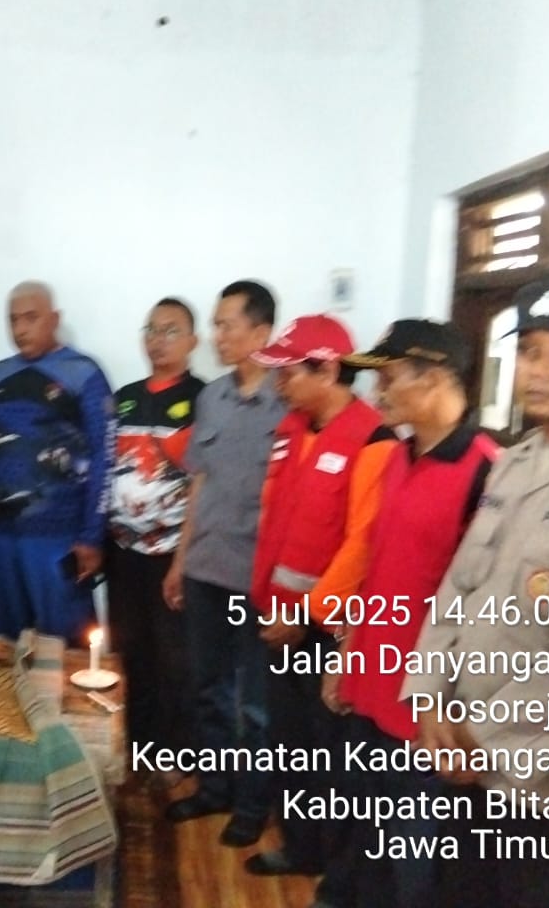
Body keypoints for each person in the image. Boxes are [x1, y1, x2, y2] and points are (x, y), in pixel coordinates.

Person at [404, 276, 549, 908]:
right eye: (529, 350)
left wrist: (485, 733)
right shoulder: (515, 463)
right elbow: (460, 586)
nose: (541, 369)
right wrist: (430, 696)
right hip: (465, 759)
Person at [317, 320, 498, 908]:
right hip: (370, 689)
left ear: (435, 378)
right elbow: (377, 566)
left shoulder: (486, 471)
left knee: (412, 863)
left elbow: (486, 612)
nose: (379, 393)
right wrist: (346, 651)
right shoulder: (398, 456)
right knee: (362, 836)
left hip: (426, 712)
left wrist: (452, 709)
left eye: (389, 378)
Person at [243, 314, 398, 879]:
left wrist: (306, 615)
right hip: (278, 618)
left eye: (288, 374)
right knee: (288, 743)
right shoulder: (292, 430)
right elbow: (275, 522)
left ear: (328, 371)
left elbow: (363, 546)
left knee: (328, 754)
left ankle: (334, 868)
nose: (279, 384)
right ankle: (300, 846)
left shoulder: (374, 441)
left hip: (327, 632)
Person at [162, 280, 286, 847]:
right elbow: (200, 483)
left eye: (225, 325)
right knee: (208, 686)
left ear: (261, 332)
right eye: (214, 325)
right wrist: (179, 560)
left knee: (255, 702)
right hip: (206, 568)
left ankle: (253, 804)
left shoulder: (288, 401)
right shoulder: (211, 397)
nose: (216, 335)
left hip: (257, 579)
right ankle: (215, 788)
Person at [0, 281, 114, 644]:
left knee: (63, 649)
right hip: (1, 538)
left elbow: (104, 457)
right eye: (13, 320)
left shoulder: (83, 373)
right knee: (3, 647)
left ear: (54, 319)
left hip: (59, 538)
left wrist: (92, 535)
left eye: (31, 318)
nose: (20, 329)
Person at [106, 297, 204, 775]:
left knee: (174, 661)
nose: (158, 340)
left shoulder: (205, 399)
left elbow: (206, 481)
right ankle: (133, 748)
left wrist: (184, 561)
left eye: (170, 330)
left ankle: (175, 758)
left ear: (193, 341)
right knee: (129, 653)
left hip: (172, 554)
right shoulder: (125, 396)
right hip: (123, 551)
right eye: (151, 329)